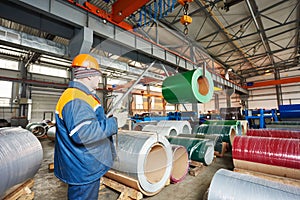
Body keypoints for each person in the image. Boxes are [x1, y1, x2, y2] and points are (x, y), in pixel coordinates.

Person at [54, 54, 118, 200]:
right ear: (89, 75)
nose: (99, 79)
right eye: (98, 75)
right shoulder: (76, 98)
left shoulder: (82, 95)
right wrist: (112, 124)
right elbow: (83, 133)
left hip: (84, 164)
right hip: (83, 168)